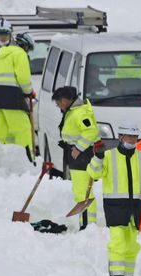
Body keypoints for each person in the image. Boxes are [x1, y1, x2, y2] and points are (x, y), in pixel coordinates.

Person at [87, 123, 141, 276]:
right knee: (118, 241)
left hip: (135, 206)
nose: (132, 140)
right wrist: (97, 157)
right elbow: (94, 173)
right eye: (128, 136)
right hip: (115, 206)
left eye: (134, 137)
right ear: (120, 137)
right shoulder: (109, 156)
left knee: (132, 243)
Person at [0, 19, 34, 160]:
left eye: (5, 35)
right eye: (0, 35)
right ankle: (26, 158)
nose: (2, 38)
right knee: (22, 128)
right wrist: (28, 92)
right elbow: (23, 77)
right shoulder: (19, 53)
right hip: (12, 97)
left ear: (11, 36)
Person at [52, 86, 100, 229]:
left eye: (58, 103)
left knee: (84, 192)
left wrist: (78, 148)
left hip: (82, 157)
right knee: (81, 190)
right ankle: (86, 224)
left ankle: (87, 225)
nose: (58, 106)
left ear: (65, 101)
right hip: (76, 155)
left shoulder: (80, 112)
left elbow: (91, 132)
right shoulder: (73, 111)